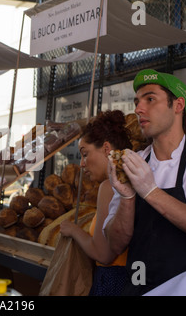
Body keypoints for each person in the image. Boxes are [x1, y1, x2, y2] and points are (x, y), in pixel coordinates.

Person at [104, 69, 186, 296]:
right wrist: (127, 197)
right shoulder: (133, 163)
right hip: (139, 288)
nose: (138, 109)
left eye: (150, 99)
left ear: (178, 105)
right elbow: (114, 245)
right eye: (137, 102)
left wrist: (151, 191)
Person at [59, 110, 132, 296]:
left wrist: (73, 230)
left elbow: (103, 254)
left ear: (106, 149)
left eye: (85, 154)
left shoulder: (108, 187)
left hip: (112, 283)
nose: (82, 164)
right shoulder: (134, 180)